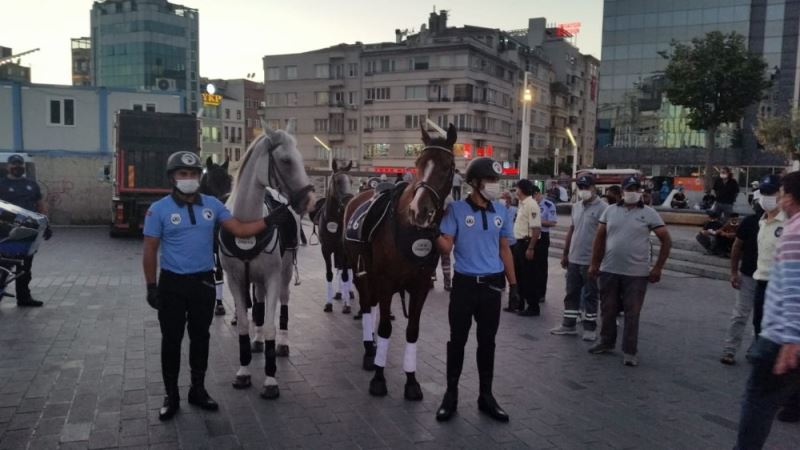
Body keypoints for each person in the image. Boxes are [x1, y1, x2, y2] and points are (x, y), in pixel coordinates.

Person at [142, 151, 293, 421]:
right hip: (172, 285)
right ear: (172, 178)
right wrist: (151, 286)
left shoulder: (212, 204)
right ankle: (171, 396)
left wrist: (269, 221)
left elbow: (239, 229)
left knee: (201, 339)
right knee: (172, 341)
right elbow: (150, 250)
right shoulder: (158, 209)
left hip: (203, 283)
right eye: (182, 174)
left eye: (192, 174)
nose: (188, 179)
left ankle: (197, 390)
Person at [435, 157, 518, 423]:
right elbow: (447, 247)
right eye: (490, 180)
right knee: (457, 341)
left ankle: (486, 396)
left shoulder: (502, 211)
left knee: (488, 342)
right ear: (473, 182)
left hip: (493, 285)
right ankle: (451, 395)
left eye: (496, 180)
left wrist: (514, 285)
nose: (494, 185)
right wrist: (429, 228)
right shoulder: (457, 210)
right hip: (465, 285)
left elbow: (505, 248)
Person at [734, 171, 800, 449]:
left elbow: (795, 286)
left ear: (792, 197)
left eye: (782, 193)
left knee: (758, 402)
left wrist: (792, 337)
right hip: (784, 333)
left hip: (780, 338)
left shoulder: (795, 231)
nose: (779, 198)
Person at [588, 175, 672, 367]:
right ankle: (606, 341)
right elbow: (599, 238)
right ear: (622, 191)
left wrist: (658, 267)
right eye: (629, 189)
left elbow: (666, 239)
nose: (632, 193)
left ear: (640, 191)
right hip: (610, 269)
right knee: (608, 309)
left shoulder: (649, 213)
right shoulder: (610, 211)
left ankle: (630, 350)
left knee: (632, 313)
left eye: (635, 189)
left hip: (636, 274)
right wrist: (594, 263)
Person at [552, 174, 606, 341]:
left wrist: (597, 262)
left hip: (590, 260)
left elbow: (605, 236)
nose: (583, 191)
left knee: (590, 295)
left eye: (586, 187)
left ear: (594, 188)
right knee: (571, 293)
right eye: (581, 187)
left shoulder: (604, 208)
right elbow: (572, 230)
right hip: (574, 259)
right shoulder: (576, 207)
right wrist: (565, 253)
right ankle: (568, 325)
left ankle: (590, 328)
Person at [0, 154, 51, 307]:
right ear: (8, 166)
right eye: (14, 164)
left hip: (28, 232)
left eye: (20, 164)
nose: (17, 167)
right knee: (4, 267)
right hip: (6, 233)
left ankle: (24, 298)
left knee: (25, 268)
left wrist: (46, 224)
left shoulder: (31, 185)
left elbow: (40, 204)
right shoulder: (1, 184)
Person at [720, 197, 762, 365]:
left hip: (770, 278)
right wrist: (733, 272)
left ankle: (755, 350)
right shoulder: (750, 222)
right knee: (740, 314)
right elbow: (737, 246)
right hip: (748, 274)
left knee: (762, 317)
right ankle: (729, 350)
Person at [751, 175, 785, 346]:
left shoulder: (789, 222)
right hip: (761, 282)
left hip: (781, 285)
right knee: (759, 324)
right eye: (763, 193)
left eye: (771, 193)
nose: (766, 198)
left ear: (782, 193)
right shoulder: (762, 220)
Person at [505, 179, 541, 315]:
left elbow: (536, 228)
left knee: (529, 276)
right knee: (518, 275)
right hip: (518, 243)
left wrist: (531, 248)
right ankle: (518, 304)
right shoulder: (522, 204)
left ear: (523, 189)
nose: (516, 191)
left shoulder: (531, 205)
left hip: (527, 243)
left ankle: (533, 306)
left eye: (517, 189)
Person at [530, 185, 557, 308]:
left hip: (543, 236)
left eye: (533, 195)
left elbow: (552, 222)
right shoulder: (529, 205)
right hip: (530, 236)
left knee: (541, 266)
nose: (533, 197)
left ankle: (541, 293)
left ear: (538, 193)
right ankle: (531, 291)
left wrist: (537, 221)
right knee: (531, 266)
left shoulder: (548, 205)